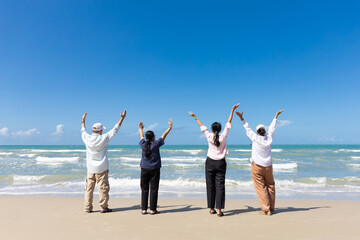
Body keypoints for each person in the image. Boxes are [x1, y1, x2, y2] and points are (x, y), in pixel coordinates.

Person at [189, 103, 239, 217]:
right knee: (220, 186)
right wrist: (232, 110)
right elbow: (228, 123)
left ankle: (212, 209)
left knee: (210, 185)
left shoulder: (209, 136)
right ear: (220, 129)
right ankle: (220, 210)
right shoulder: (223, 136)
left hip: (210, 162)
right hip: (221, 163)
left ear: (212, 129)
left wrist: (195, 117)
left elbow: (202, 126)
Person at [236, 109, 284, 216]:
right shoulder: (269, 138)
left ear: (257, 132)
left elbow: (247, 128)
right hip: (268, 166)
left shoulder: (255, 138)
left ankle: (266, 210)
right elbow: (272, 128)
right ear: (264, 131)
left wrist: (241, 118)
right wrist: (276, 116)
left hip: (257, 166)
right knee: (271, 186)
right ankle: (271, 208)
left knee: (260, 187)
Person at [81, 111, 126, 213]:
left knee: (89, 189)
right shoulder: (104, 138)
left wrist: (83, 120)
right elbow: (115, 129)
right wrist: (122, 118)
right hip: (102, 167)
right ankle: (103, 207)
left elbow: (83, 130)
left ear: (93, 130)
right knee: (103, 188)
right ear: (101, 130)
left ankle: (88, 208)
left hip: (90, 168)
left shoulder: (87, 138)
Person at [138, 118, 173, 215]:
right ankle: (153, 209)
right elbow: (164, 135)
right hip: (155, 169)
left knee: (144, 189)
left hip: (144, 168)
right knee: (154, 189)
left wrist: (140, 128)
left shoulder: (143, 144)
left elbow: (141, 136)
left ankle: (144, 209)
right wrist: (169, 127)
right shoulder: (156, 144)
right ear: (153, 137)